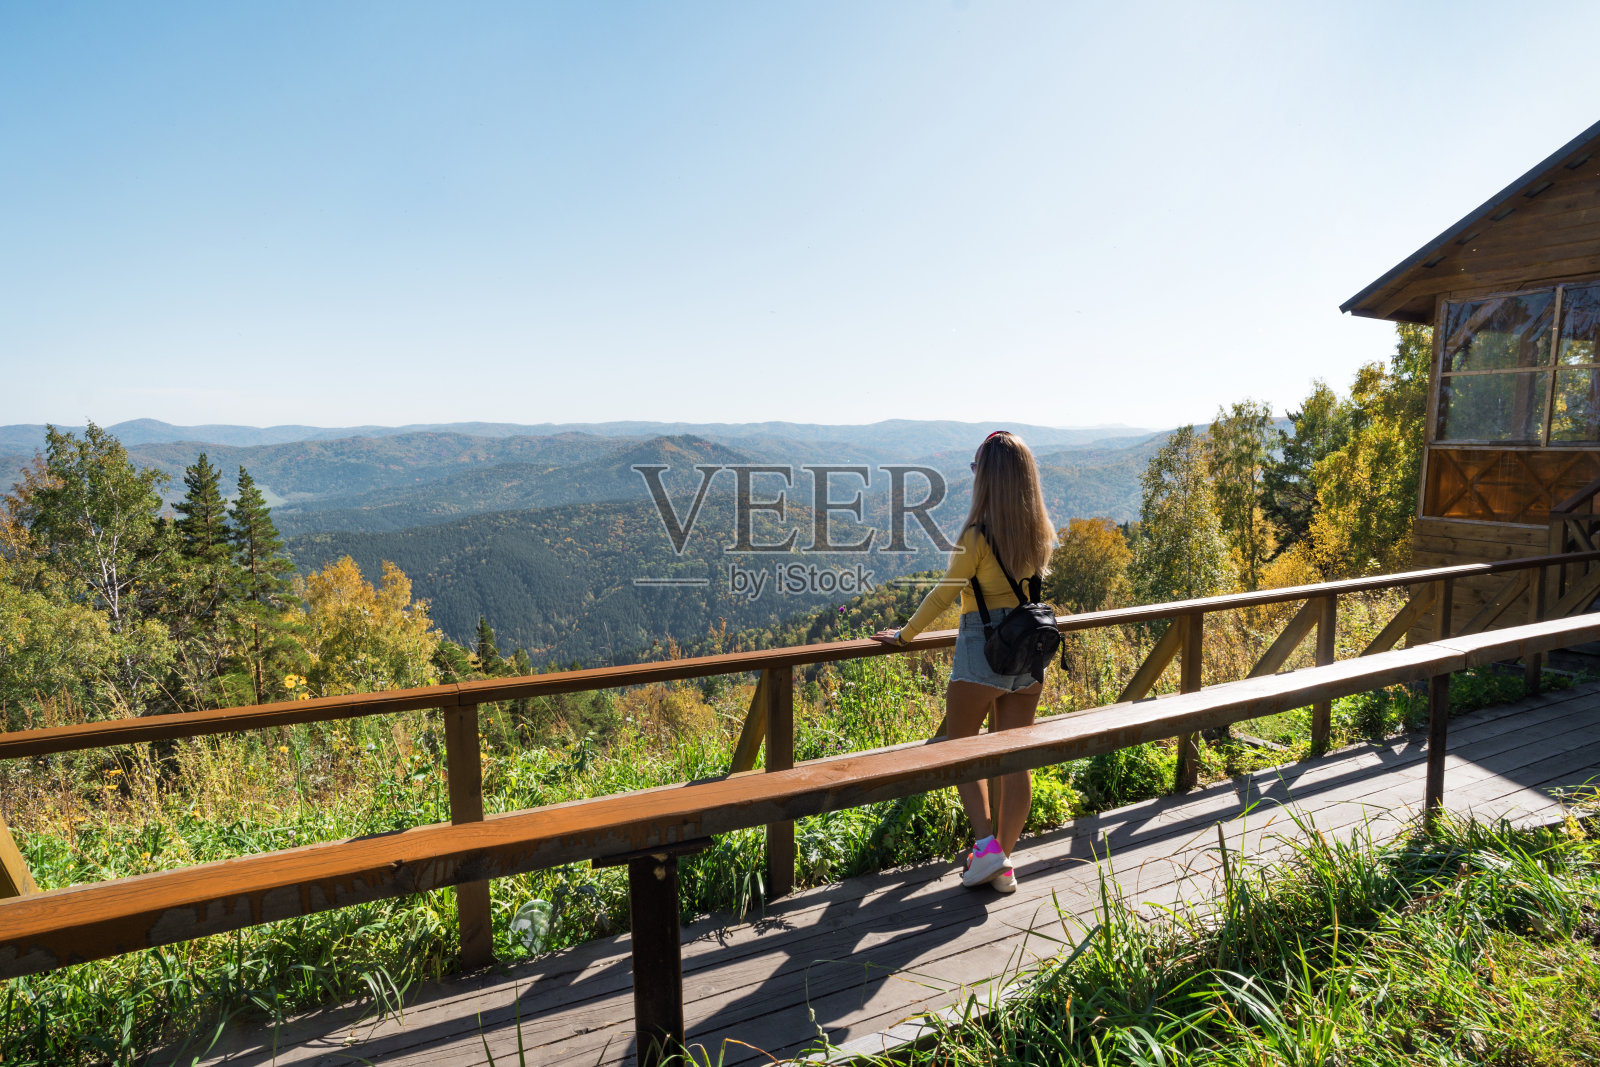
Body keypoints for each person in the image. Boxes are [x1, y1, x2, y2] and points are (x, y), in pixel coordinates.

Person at [873, 430, 1056, 894]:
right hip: (1028, 650)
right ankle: (1004, 860)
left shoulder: (976, 535)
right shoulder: (1040, 533)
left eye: (976, 469)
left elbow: (944, 593)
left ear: (988, 479)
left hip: (983, 647)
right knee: (1016, 760)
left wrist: (904, 635)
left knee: (957, 750)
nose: (972, 476)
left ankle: (986, 848)